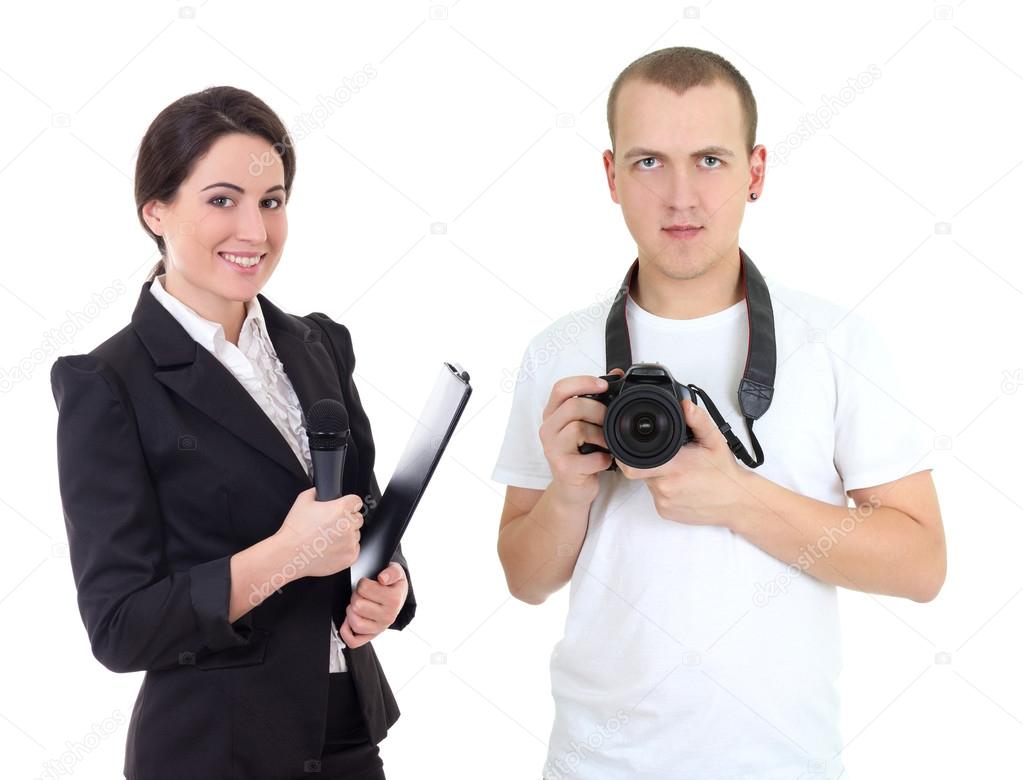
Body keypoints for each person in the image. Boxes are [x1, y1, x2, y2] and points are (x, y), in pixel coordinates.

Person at [492, 47, 946, 779]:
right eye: (647, 162)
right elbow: (525, 578)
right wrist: (569, 494)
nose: (680, 197)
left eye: (709, 159)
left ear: (755, 171)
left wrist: (737, 498)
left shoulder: (837, 343)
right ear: (610, 175)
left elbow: (921, 565)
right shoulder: (558, 353)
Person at [50, 86, 414, 779]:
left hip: (348, 736)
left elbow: (357, 520)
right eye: (222, 200)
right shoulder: (109, 384)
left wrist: (387, 587)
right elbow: (120, 627)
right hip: (216, 753)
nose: (255, 231)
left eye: (271, 202)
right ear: (155, 210)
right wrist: (284, 555)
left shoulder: (318, 345)